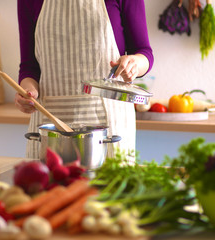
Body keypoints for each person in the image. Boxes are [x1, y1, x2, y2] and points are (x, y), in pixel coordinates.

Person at [15, 0, 154, 162]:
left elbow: (144, 52)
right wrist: (28, 92)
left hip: (110, 124)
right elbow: (29, 67)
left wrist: (134, 64)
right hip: (50, 124)